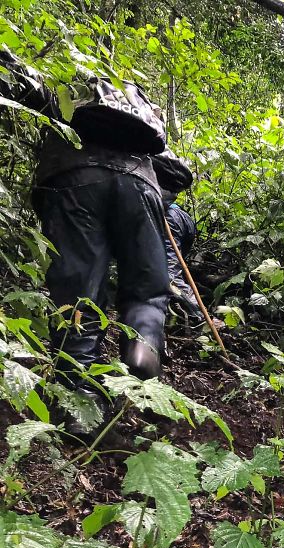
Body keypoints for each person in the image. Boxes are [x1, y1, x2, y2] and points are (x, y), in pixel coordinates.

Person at [1, 48, 169, 431]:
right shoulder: (136, 115)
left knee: (78, 289)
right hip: (139, 184)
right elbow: (173, 167)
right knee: (146, 292)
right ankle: (142, 355)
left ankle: (78, 403)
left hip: (74, 178)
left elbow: (23, 86)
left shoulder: (66, 92)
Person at [151, 149, 200, 320]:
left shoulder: (142, 156)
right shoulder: (152, 154)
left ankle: (200, 318)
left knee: (170, 275)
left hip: (169, 219)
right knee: (167, 270)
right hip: (178, 217)